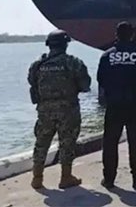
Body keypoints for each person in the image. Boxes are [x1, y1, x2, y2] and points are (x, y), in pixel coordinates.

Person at [27, 30, 91, 189]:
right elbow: (85, 85)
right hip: (68, 110)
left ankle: (37, 178)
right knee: (67, 143)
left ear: (49, 45)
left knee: (41, 142)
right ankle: (66, 177)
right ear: (65, 44)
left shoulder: (38, 64)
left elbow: (31, 82)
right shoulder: (73, 62)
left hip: (44, 110)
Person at [97, 22, 136, 189]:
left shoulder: (107, 56)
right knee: (135, 143)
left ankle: (109, 179)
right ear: (132, 35)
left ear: (116, 35)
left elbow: (101, 78)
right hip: (134, 104)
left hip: (114, 105)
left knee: (110, 143)